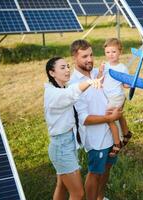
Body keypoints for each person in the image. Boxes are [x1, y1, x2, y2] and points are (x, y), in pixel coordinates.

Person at [69, 39, 122, 200]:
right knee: (95, 173)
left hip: (110, 131)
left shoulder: (97, 73)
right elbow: (83, 119)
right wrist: (109, 117)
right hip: (95, 137)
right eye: (84, 56)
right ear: (74, 58)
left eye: (91, 55)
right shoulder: (74, 85)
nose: (90, 59)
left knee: (106, 168)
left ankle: (100, 197)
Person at [44, 56, 102, 200]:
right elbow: (71, 94)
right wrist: (88, 81)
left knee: (62, 186)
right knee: (78, 193)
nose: (67, 70)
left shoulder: (61, 88)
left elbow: (71, 92)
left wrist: (98, 76)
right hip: (61, 147)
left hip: (67, 144)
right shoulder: (54, 94)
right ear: (52, 73)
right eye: (62, 68)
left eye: (68, 66)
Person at [98, 38, 132, 157]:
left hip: (116, 97)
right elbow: (99, 81)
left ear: (120, 52)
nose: (110, 55)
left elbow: (125, 84)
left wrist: (131, 83)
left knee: (109, 118)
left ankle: (117, 144)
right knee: (119, 115)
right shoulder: (105, 66)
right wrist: (101, 72)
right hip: (107, 96)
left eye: (113, 52)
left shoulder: (122, 68)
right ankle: (127, 133)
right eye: (108, 52)